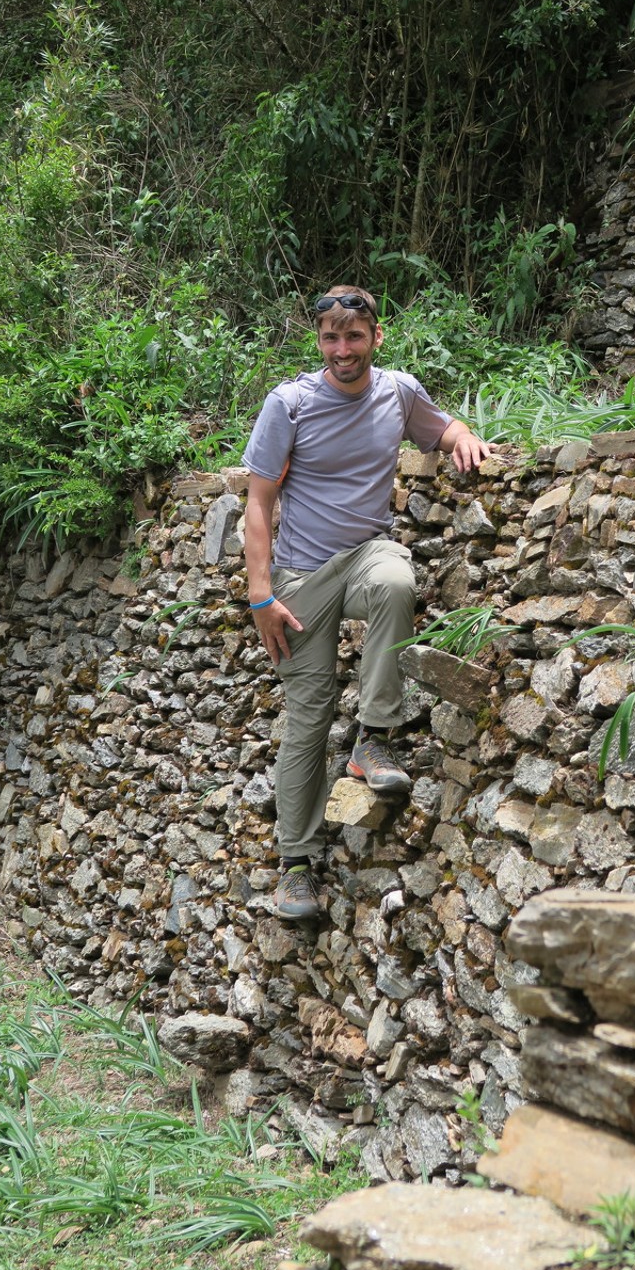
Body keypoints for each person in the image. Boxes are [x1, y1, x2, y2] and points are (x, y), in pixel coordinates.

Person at [242, 285, 492, 921]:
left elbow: (440, 428)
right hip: (300, 579)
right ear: (319, 340)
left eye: (354, 336)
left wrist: (462, 434)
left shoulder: (398, 391)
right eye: (331, 336)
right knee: (307, 719)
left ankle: (373, 738)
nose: (342, 349)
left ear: (376, 337)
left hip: (365, 555)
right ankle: (294, 867)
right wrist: (261, 595)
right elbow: (258, 503)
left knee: (395, 582)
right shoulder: (290, 404)